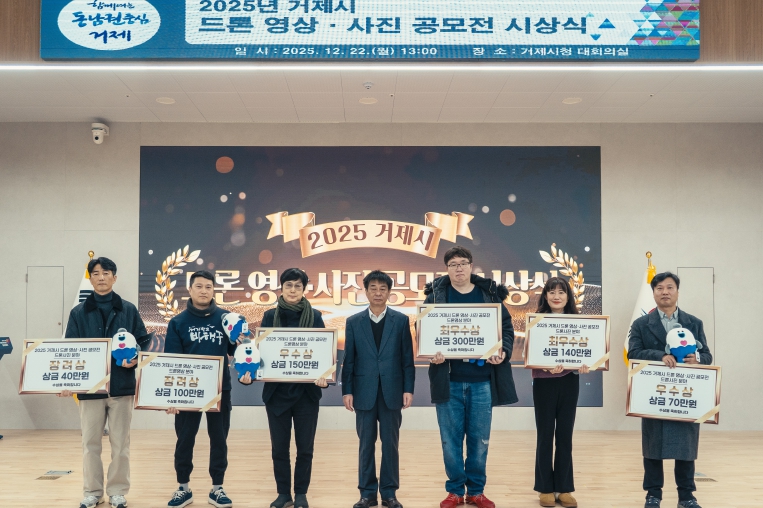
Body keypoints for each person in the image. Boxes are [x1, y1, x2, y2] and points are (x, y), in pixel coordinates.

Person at [425, 246, 517, 508]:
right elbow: (424, 331)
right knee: (449, 440)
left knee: (480, 440)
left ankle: (476, 491)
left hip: (482, 381)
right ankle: (455, 491)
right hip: (449, 379)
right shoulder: (435, 297)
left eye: (463, 263)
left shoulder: (488, 295)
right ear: (447, 269)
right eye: (453, 264)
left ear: (471, 266)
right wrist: (431, 352)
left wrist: (503, 350)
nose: (459, 268)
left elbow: (506, 328)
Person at [61, 257, 150, 508]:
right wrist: (66, 381)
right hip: (90, 389)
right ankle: (92, 492)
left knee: (121, 444)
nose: (101, 277)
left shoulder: (128, 309)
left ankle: (117, 491)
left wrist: (135, 359)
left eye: (107, 273)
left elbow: (143, 342)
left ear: (114, 277)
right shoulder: (78, 312)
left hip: (121, 387)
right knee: (90, 444)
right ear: (90, 278)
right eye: (96, 273)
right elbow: (70, 350)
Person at [239, 268, 328, 508]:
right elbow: (260, 354)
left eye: (298, 286)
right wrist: (248, 375)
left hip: (307, 395)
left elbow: (323, 353)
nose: (293, 290)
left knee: (305, 449)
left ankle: (301, 494)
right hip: (277, 394)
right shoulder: (269, 316)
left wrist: (324, 376)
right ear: (282, 288)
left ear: (304, 289)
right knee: (279, 448)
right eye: (289, 285)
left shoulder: (315, 317)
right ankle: (283, 494)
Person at [628, 272, 711, 508]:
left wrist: (698, 359)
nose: (665, 292)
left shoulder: (694, 323)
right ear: (653, 293)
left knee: (686, 448)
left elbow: (707, 355)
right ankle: (653, 495)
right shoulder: (641, 324)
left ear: (677, 292)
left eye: (670, 287)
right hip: (655, 394)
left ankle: (687, 497)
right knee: (652, 448)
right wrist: (660, 356)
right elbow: (633, 353)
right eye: (659, 288)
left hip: (685, 395)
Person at [164, 270, 238, 508]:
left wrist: (242, 339)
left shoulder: (227, 319)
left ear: (214, 290)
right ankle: (183, 488)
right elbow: (172, 361)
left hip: (219, 389)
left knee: (219, 439)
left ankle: (217, 488)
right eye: (199, 286)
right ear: (190, 289)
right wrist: (172, 397)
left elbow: (237, 351)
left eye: (208, 287)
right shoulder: (178, 322)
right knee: (185, 439)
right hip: (187, 391)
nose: (204, 291)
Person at [342, 270, 415, 508]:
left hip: (392, 391)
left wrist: (408, 388)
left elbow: (407, 358)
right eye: (373, 288)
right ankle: (367, 494)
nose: (378, 292)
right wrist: (347, 390)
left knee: (390, 445)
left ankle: (389, 493)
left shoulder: (401, 321)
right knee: (366, 444)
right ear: (365, 291)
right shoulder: (353, 322)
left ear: (389, 292)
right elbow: (349, 360)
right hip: (363, 391)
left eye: (383, 289)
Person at [532, 277, 590, 508]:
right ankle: (545, 488)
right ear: (545, 296)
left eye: (561, 292)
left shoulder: (580, 322)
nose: (556, 296)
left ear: (568, 296)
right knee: (545, 435)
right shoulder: (536, 321)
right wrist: (543, 364)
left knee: (565, 435)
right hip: (544, 383)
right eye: (552, 292)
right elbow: (530, 353)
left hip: (569, 382)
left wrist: (585, 364)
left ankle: (564, 488)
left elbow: (588, 350)